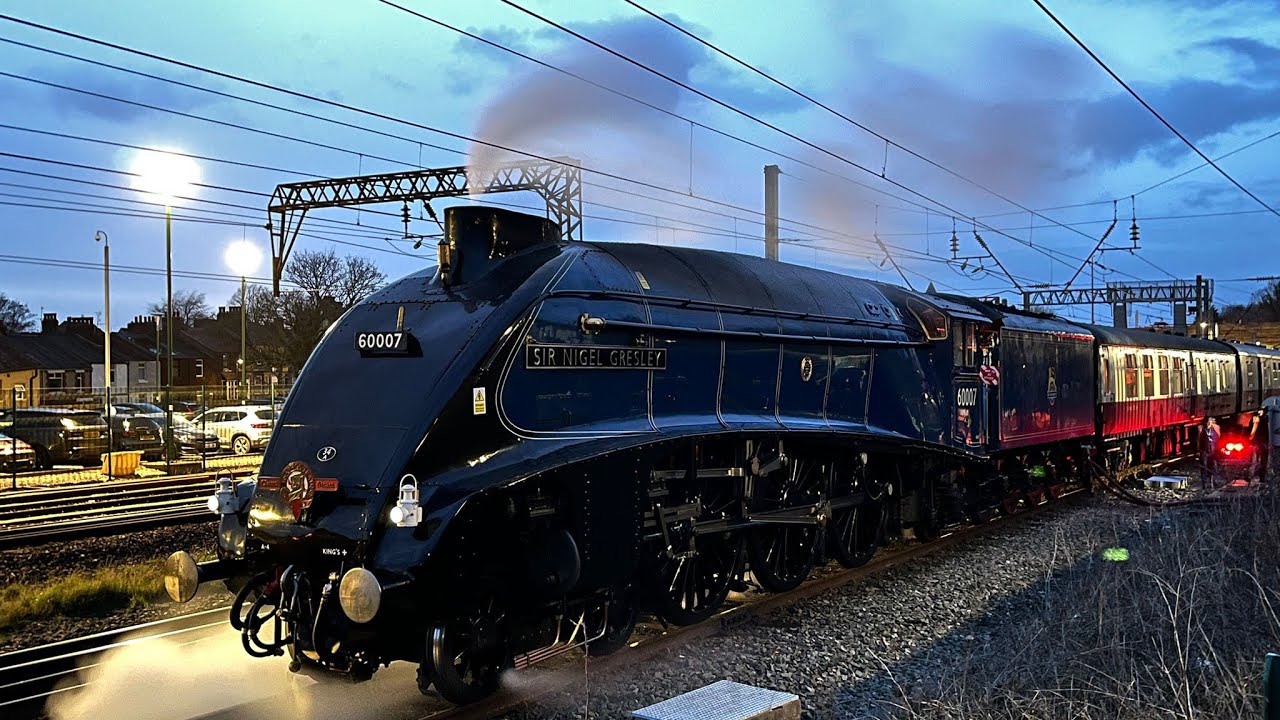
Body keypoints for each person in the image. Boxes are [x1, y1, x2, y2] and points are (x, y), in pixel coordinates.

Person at [1200, 416, 1220, 490]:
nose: (1208, 423)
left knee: (1213, 467)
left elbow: (1217, 441)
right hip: (1205, 452)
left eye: (1209, 422)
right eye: (1207, 422)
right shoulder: (1202, 431)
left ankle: (1212, 482)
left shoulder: (1214, 431)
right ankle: (1204, 484)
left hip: (1212, 452)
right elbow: (1199, 442)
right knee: (1204, 468)